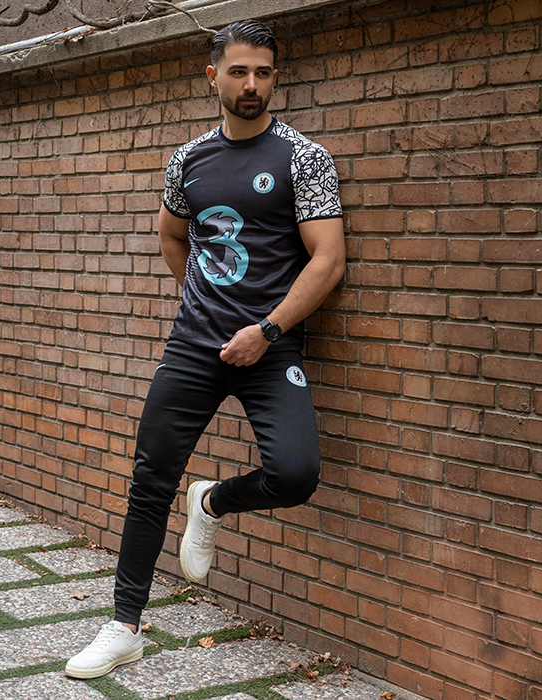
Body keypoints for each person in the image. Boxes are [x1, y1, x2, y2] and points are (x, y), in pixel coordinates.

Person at [65, 18, 345, 679]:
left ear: (274, 78)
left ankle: (212, 501)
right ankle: (123, 627)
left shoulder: (303, 158)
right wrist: (198, 301)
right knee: (149, 480)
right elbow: (172, 235)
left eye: (264, 73)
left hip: (269, 348)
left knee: (296, 475)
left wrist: (266, 330)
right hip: (195, 346)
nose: (252, 84)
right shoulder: (187, 160)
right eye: (239, 71)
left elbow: (328, 261)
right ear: (213, 76)